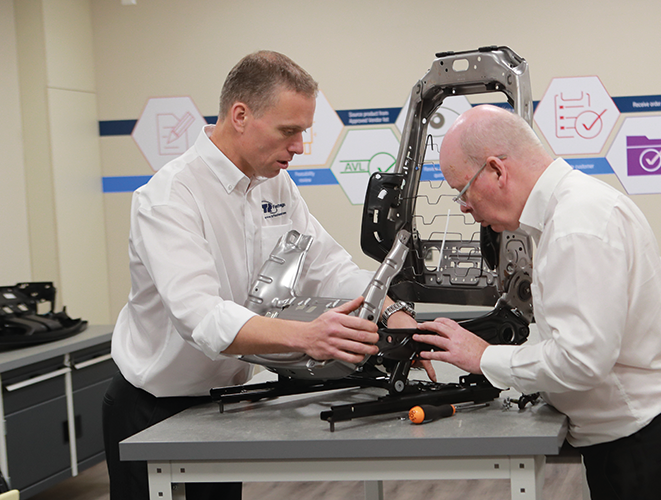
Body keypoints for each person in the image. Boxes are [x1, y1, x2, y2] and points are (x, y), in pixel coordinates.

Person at [102, 50, 432, 500]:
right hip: (150, 407)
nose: (299, 146)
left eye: (303, 132)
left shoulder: (275, 186)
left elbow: (327, 267)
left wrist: (394, 315)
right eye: (288, 131)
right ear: (241, 116)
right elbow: (201, 316)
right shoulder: (169, 197)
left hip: (222, 402)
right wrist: (306, 337)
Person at [413, 105, 661, 499]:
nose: (465, 208)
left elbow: (581, 361)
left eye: (462, 191)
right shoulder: (575, 208)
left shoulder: (576, 225)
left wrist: (484, 357)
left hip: (643, 445)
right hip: (640, 436)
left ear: (497, 170)